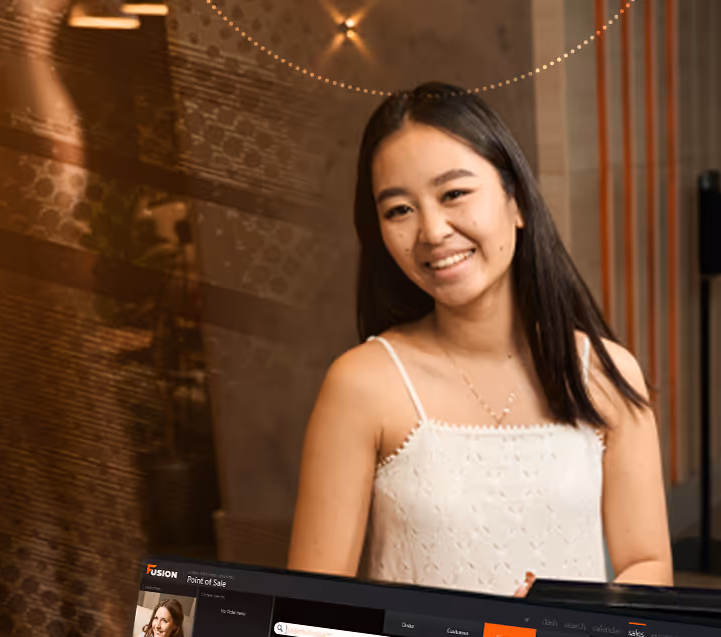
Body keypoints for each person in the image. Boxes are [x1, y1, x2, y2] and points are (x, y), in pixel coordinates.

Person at [288, 83, 671, 597]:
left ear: (517, 203)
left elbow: (649, 565)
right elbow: (312, 600)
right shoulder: (362, 384)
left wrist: (573, 614)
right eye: (399, 209)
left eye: (454, 194)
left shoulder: (606, 372)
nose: (432, 231)